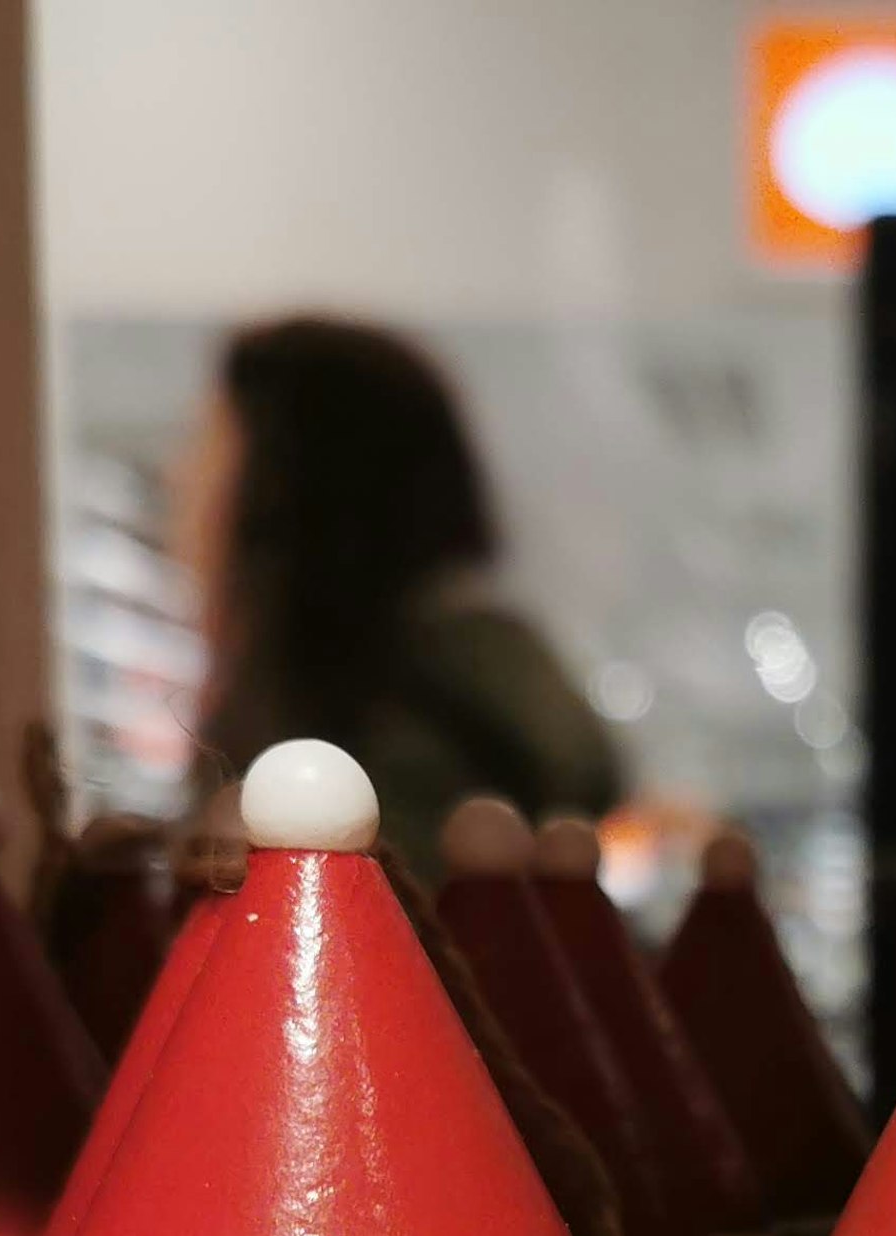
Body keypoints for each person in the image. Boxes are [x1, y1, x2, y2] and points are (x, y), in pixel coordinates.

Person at [176, 318, 620, 872]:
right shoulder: (424, 680)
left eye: (211, 450)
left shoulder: (384, 721)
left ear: (284, 491)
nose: (183, 481)